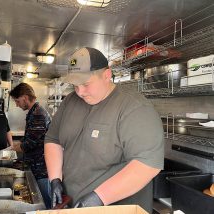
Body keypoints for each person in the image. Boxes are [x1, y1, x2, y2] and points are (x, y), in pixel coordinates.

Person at [44, 47, 164, 212]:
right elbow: (53, 139)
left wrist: (100, 197)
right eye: (75, 85)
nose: (80, 92)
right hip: (72, 205)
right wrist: (55, 179)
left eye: (86, 84)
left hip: (118, 208)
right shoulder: (70, 101)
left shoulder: (135, 108)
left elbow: (147, 165)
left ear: (107, 75)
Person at [9, 83, 52, 209]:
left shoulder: (38, 114)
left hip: (42, 169)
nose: (17, 105)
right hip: (36, 166)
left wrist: (10, 149)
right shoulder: (34, 112)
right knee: (41, 202)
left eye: (17, 101)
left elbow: (29, 144)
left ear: (25, 97)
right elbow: (29, 138)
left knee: (46, 205)